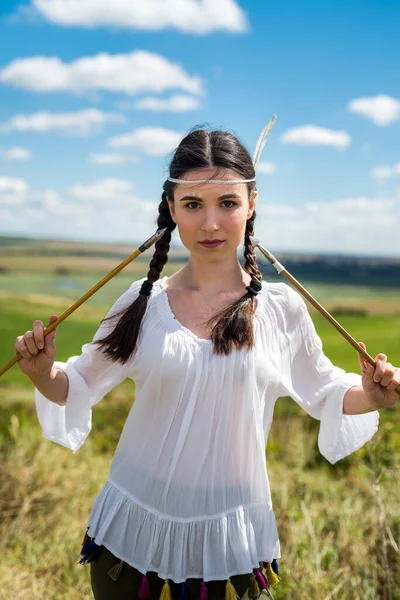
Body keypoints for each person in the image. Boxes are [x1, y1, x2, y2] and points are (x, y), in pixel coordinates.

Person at [15, 126, 399, 600]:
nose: (211, 223)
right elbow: (75, 384)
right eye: (194, 205)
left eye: (228, 203)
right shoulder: (142, 303)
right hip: (129, 543)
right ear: (172, 209)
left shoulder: (281, 310)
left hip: (229, 552)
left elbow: (326, 392)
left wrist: (374, 396)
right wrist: (40, 371)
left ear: (251, 203)